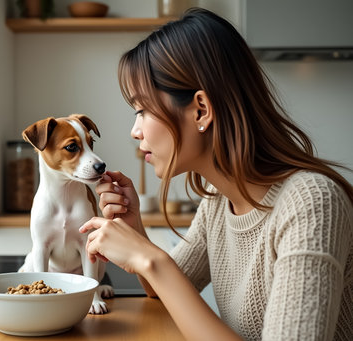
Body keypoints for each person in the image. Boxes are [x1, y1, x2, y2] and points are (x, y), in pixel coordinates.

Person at [79, 8, 353, 341]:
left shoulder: (311, 203)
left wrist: (149, 259)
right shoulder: (220, 197)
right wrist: (134, 227)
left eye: (142, 109)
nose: (135, 131)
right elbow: (163, 289)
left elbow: (163, 276)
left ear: (202, 110)